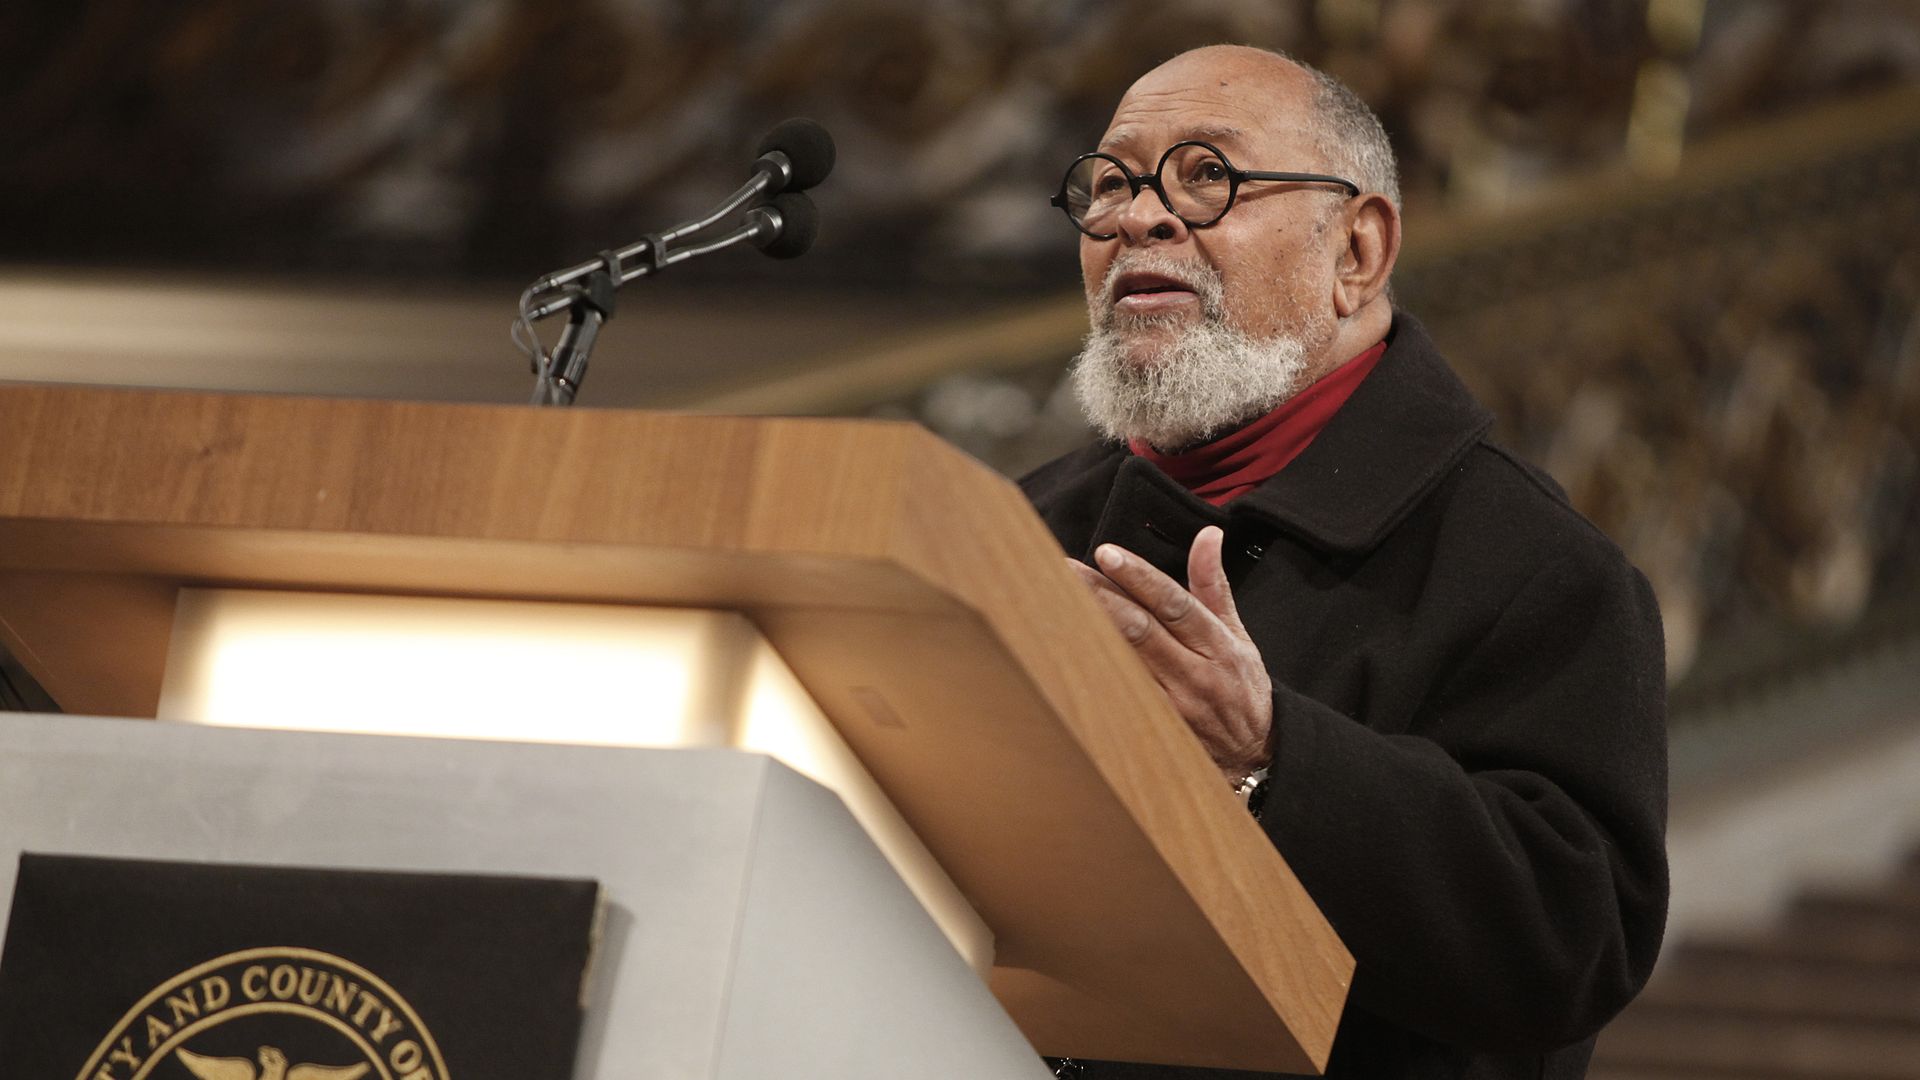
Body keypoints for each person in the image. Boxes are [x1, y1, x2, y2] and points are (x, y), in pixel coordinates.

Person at [1021, 45, 1668, 1080]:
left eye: (1206, 177)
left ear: (1357, 253)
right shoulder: (1018, 530)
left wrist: (1271, 754)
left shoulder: (1539, 569)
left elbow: (1568, 948)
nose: (1139, 216)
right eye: (1110, 182)